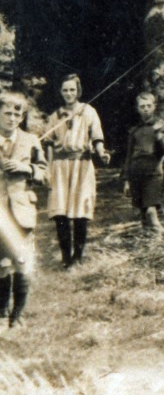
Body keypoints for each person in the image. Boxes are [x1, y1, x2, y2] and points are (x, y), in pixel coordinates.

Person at [43, 74, 110, 268]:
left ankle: (78, 258)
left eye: (72, 89)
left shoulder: (88, 111)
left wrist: (101, 153)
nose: (68, 93)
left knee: (81, 211)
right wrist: (48, 167)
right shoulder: (55, 115)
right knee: (60, 213)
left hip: (82, 165)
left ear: (78, 91)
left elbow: (97, 137)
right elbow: (48, 143)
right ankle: (66, 258)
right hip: (60, 167)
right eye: (65, 90)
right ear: (60, 92)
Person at [0, 92, 47, 328]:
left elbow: (43, 173)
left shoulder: (30, 141)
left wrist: (26, 168)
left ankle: (17, 316)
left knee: (21, 259)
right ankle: (1, 312)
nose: (11, 118)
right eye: (7, 113)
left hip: (21, 209)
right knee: (0, 263)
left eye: (17, 114)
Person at [121, 93, 164, 231]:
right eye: (142, 106)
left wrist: (159, 133)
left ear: (154, 106)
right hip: (136, 173)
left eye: (149, 106)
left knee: (151, 211)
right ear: (137, 109)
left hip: (153, 173)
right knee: (142, 213)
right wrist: (126, 180)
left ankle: (162, 239)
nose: (146, 109)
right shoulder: (135, 131)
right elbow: (129, 156)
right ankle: (149, 242)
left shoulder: (161, 125)